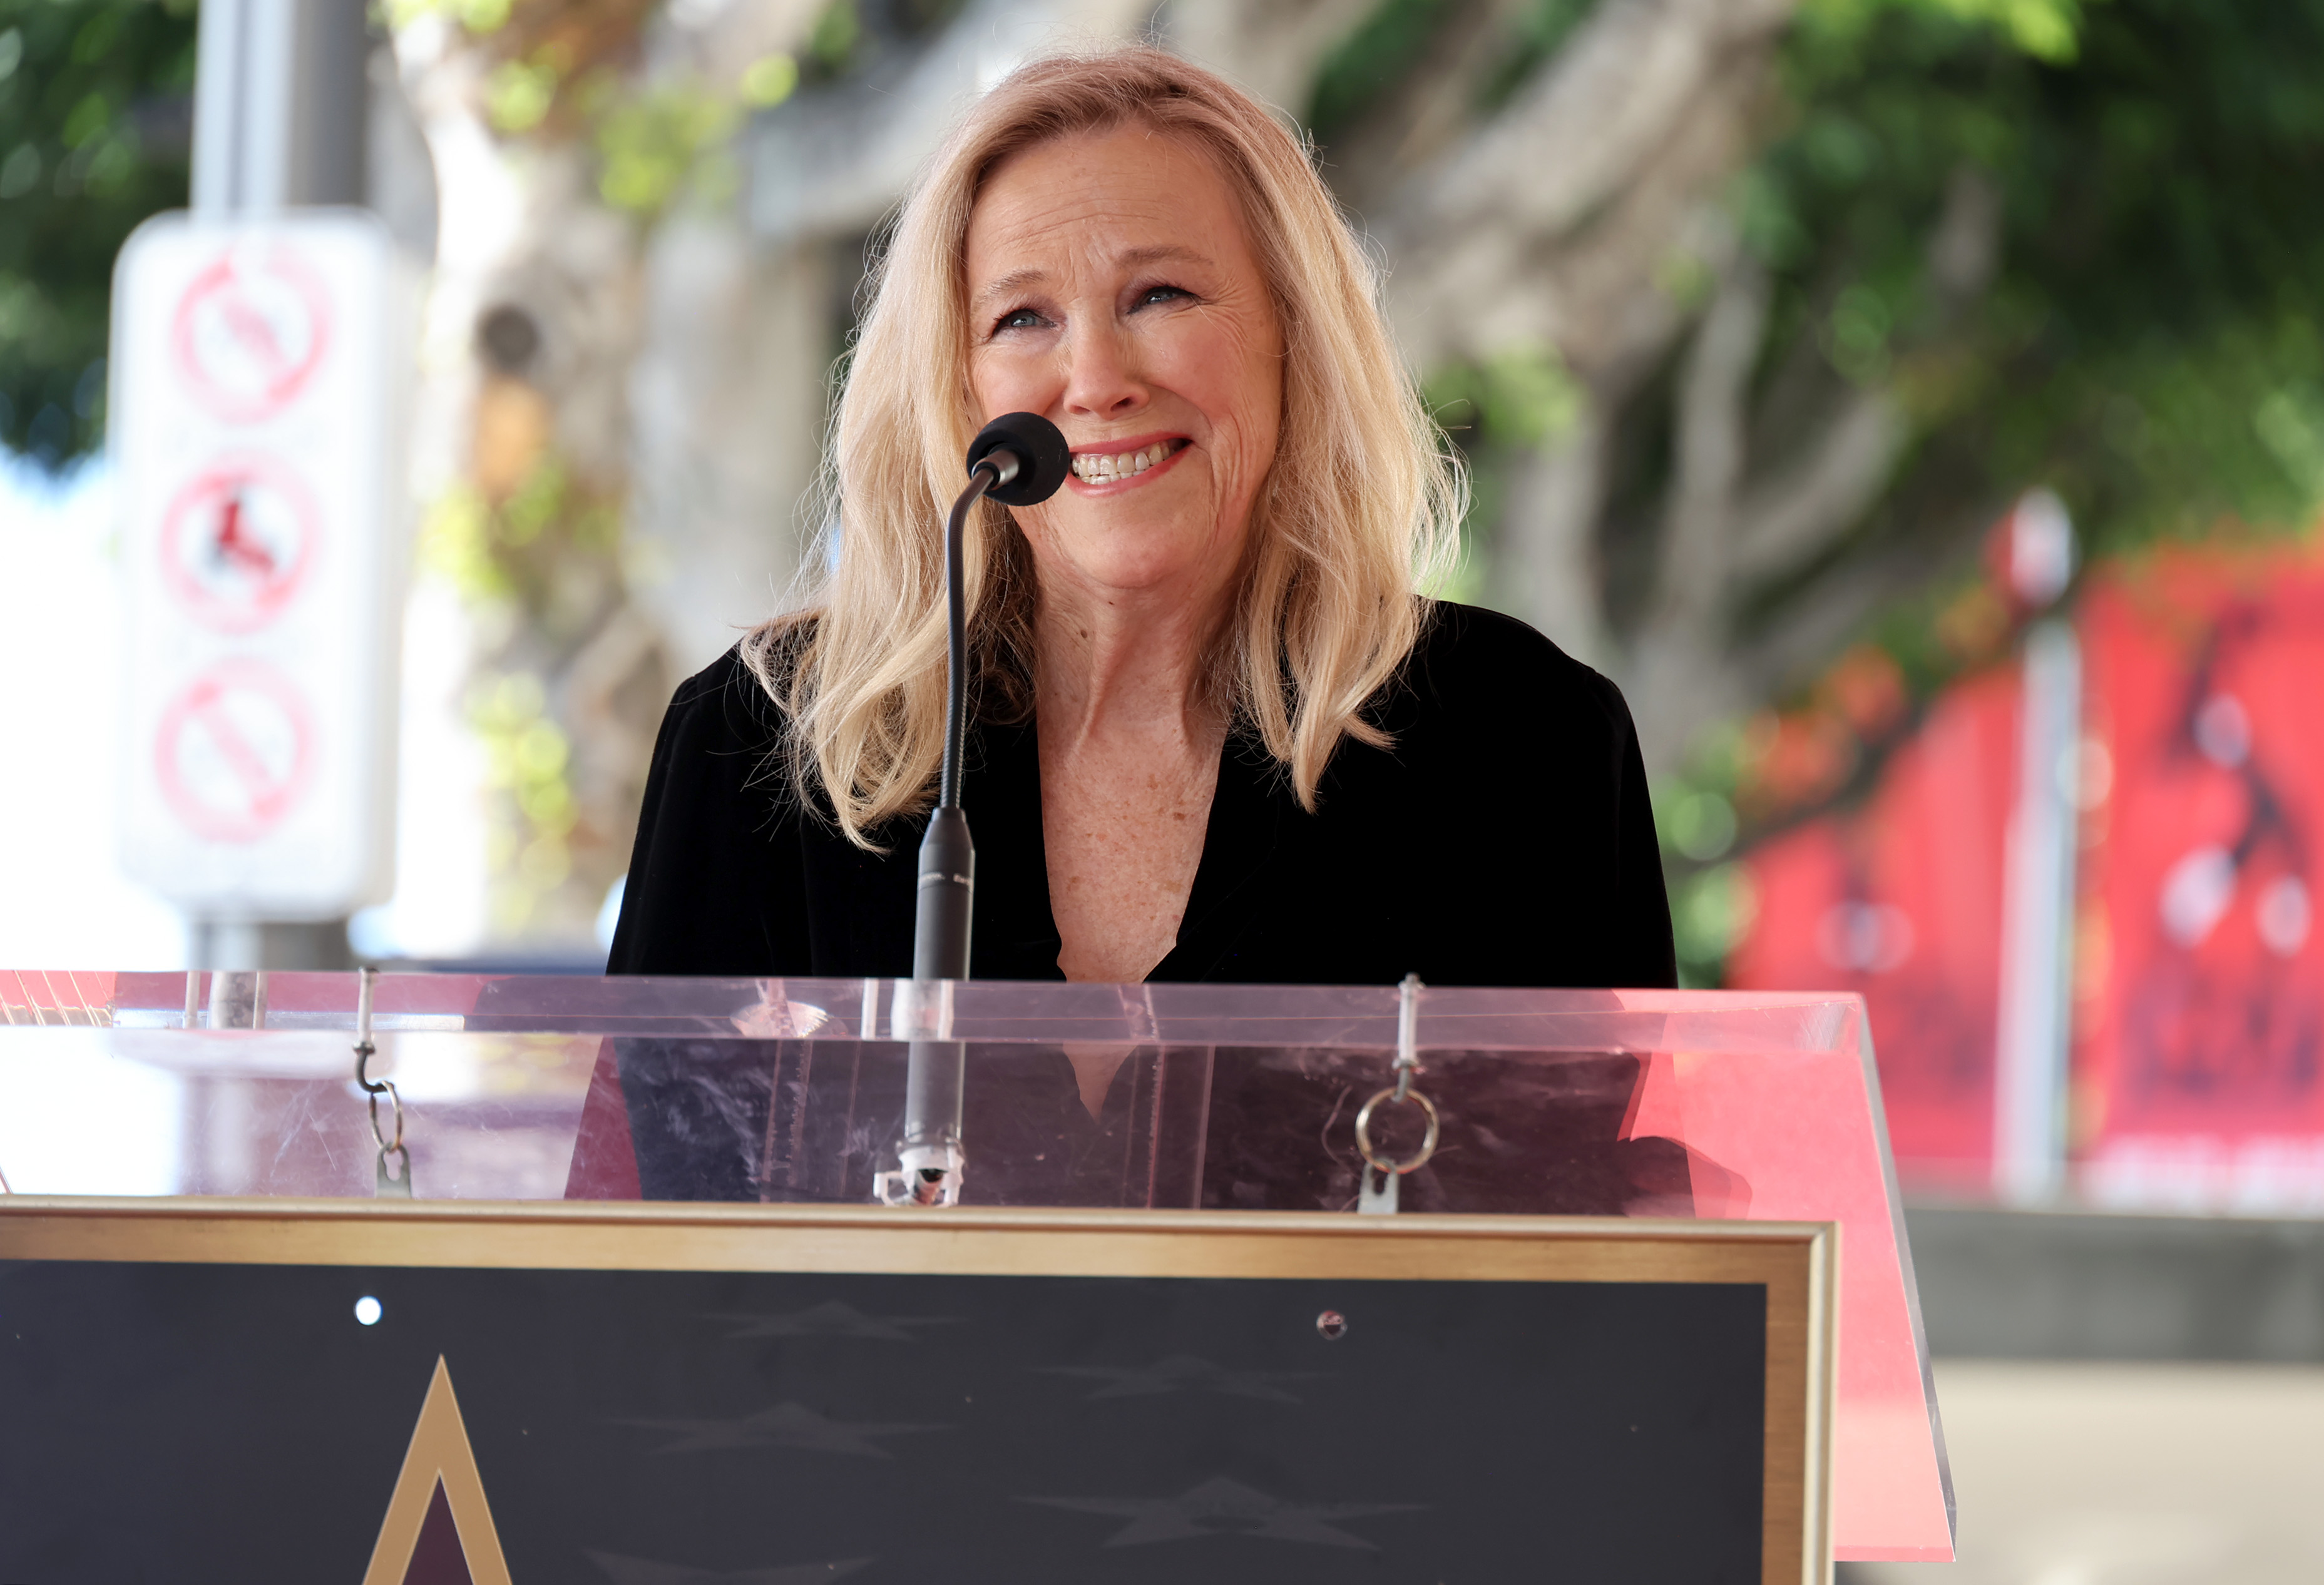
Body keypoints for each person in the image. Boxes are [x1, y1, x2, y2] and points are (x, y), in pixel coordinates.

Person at [609, 46, 1674, 991]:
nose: (1093, 379)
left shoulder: (1524, 740)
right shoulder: (756, 744)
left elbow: (1592, 1210)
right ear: (957, 386)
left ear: (1294, 338)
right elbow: (637, 1206)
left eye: (1159, 295)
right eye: (1021, 317)